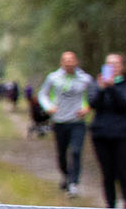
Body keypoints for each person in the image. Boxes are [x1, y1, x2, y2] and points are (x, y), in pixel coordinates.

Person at [39, 50, 96, 197]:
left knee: (76, 151)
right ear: (61, 62)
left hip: (77, 121)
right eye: (66, 60)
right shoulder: (53, 78)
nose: (69, 62)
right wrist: (49, 107)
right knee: (62, 154)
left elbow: (95, 95)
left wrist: (88, 107)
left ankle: (73, 183)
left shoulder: (85, 78)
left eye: (71, 60)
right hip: (59, 121)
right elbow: (42, 94)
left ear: (76, 61)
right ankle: (66, 175)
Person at [89, 52, 126, 208]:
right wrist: (101, 89)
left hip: (121, 134)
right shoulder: (97, 85)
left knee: (124, 172)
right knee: (107, 173)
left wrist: (111, 88)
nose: (112, 67)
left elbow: (123, 104)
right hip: (101, 134)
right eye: (109, 64)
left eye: (116, 64)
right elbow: (93, 104)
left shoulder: (125, 85)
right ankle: (110, 207)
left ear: (122, 67)